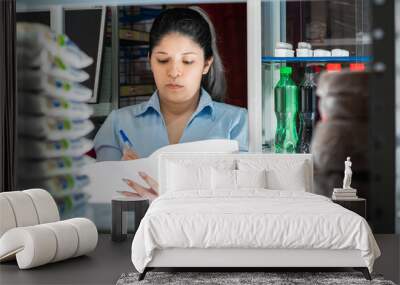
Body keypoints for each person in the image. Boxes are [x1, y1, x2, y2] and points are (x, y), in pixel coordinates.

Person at [94, 7, 248, 199]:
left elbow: (242, 199)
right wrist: (121, 175)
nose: (174, 72)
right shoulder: (118, 124)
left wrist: (169, 196)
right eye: (163, 60)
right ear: (150, 60)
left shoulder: (237, 122)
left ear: (206, 64)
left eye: (188, 61)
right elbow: (103, 204)